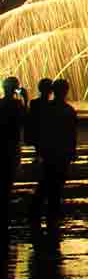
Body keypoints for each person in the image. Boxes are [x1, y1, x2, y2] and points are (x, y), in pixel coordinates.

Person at [32, 78, 79, 227]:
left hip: (49, 152)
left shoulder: (47, 109)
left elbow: (42, 130)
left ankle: (36, 211)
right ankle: (51, 215)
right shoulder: (69, 110)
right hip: (62, 153)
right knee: (56, 185)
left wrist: (40, 149)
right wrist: (72, 152)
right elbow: (72, 134)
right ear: (65, 91)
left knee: (45, 182)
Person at [0, 76, 24, 227]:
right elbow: (24, 120)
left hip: (2, 144)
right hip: (12, 145)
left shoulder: (0, 103)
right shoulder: (17, 104)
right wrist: (24, 100)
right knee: (9, 175)